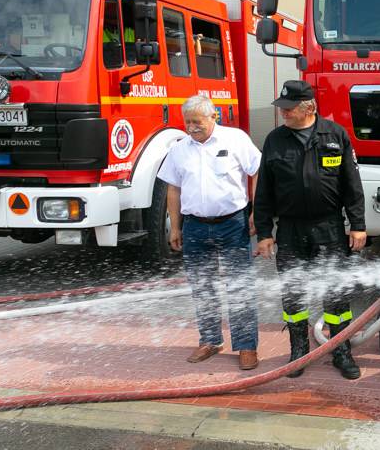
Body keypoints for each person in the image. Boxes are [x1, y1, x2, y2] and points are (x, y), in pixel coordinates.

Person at [253, 80, 367, 380]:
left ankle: (341, 351)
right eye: (282, 108)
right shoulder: (275, 140)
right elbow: (264, 191)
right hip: (290, 230)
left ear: (309, 108)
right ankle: (299, 352)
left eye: (289, 109)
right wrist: (264, 233)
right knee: (293, 294)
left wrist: (357, 225)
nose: (284, 113)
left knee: (336, 294)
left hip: (329, 227)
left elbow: (352, 185)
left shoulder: (335, 135)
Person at [157, 95, 261, 371]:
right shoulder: (179, 149)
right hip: (194, 226)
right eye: (187, 122)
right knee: (202, 286)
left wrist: (256, 211)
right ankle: (210, 340)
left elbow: (257, 171)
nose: (191, 127)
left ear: (213, 116)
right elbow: (173, 189)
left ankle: (246, 345)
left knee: (239, 286)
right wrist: (175, 226)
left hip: (233, 224)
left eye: (196, 121)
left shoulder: (235, 139)